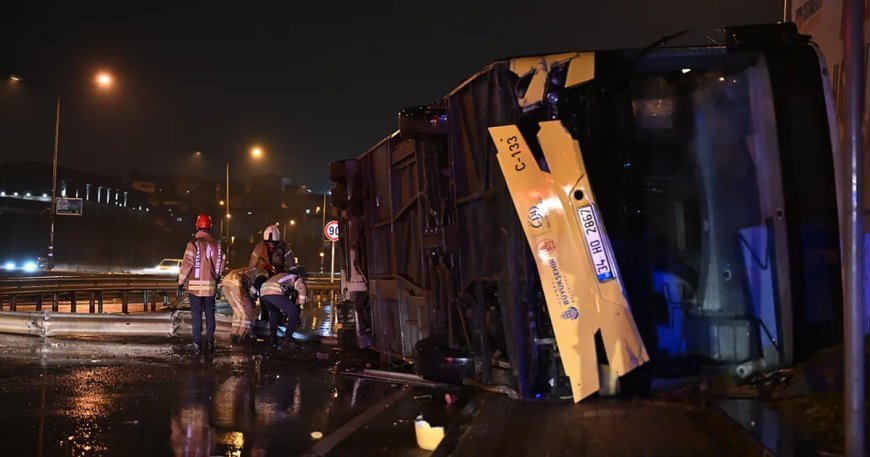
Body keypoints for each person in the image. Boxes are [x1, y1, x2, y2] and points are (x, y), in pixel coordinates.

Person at [178, 213, 224, 353]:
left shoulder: (193, 244)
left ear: (197, 225)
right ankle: (210, 342)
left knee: (197, 315)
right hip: (210, 287)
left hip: (195, 288)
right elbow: (220, 267)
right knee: (210, 314)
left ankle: (197, 343)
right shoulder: (218, 245)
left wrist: (180, 282)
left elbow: (187, 264)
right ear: (210, 226)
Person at [249, 225, 295, 321]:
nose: (271, 244)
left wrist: (293, 272)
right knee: (264, 300)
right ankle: (265, 321)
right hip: (262, 278)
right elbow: (252, 265)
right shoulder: (259, 247)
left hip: (277, 278)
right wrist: (253, 277)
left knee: (277, 303)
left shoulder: (284, 247)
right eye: (268, 243)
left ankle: (278, 321)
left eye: (273, 243)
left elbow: (291, 261)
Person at [258, 266, 308, 347]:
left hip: (263, 292)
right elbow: (302, 290)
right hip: (275, 291)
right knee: (294, 313)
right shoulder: (297, 278)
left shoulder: (283, 275)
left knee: (274, 312)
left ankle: (273, 337)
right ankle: (288, 338)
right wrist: (300, 305)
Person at [220, 266, 267, 344]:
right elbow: (253, 289)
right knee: (248, 312)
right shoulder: (264, 273)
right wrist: (252, 300)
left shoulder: (251, 270)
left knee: (238, 312)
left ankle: (234, 335)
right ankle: (244, 336)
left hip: (225, 282)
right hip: (236, 282)